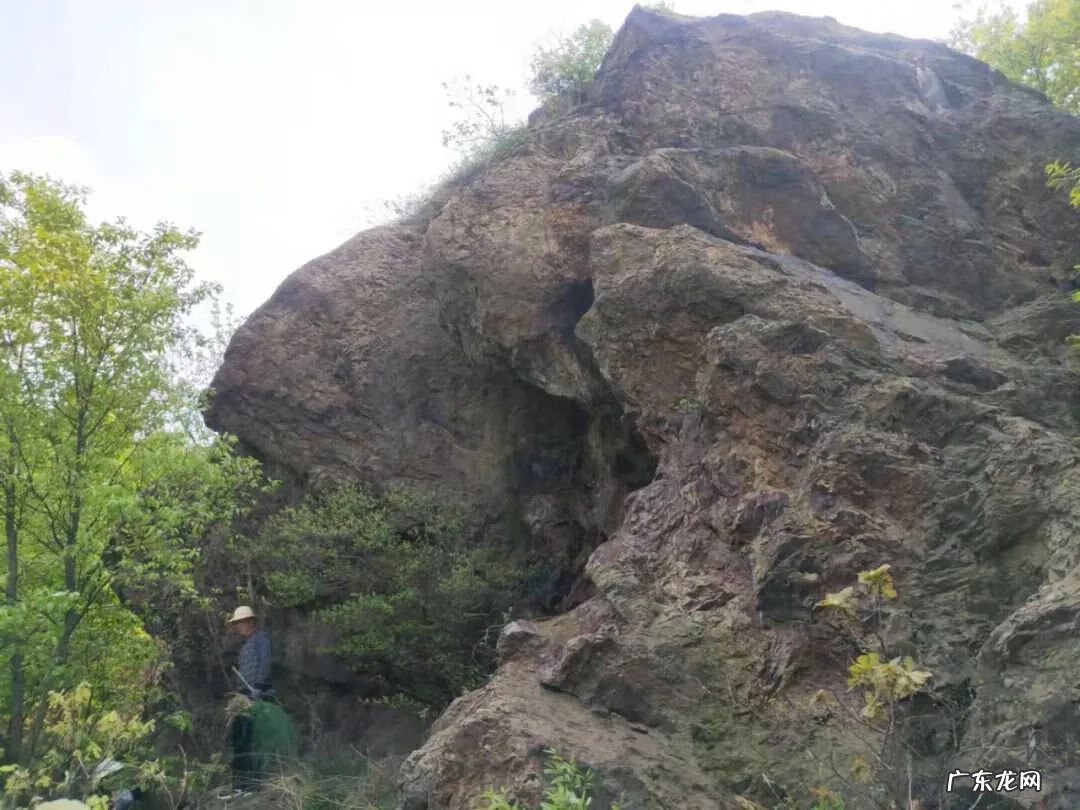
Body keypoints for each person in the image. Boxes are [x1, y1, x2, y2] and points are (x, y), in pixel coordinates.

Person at [224, 605, 273, 796]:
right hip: (243, 697)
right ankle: (239, 786)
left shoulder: (261, 639)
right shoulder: (245, 646)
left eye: (240, 623)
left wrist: (259, 688)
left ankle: (252, 785)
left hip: (258, 696)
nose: (237, 627)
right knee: (239, 741)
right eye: (236, 624)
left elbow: (266, 664)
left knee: (251, 740)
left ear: (251, 622)